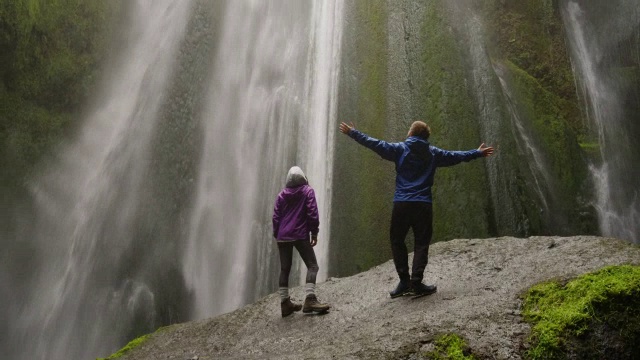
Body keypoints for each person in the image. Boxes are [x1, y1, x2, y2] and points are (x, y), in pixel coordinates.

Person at [339, 121, 494, 298]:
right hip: (423, 204)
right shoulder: (433, 153)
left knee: (397, 240)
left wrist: (353, 132)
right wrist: (477, 153)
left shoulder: (400, 149)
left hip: (402, 203)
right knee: (421, 243)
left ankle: (404, 282)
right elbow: (456, 156)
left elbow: (374, 143)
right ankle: (417, 282)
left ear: (411, 133)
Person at [272, 166, 331, 317]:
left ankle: (285, 303)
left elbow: (276, 217)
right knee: (312, 265)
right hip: (299, 234)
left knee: (285, 269)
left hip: (282, 235)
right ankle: (310, 299)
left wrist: (277, 233)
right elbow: (313, 212)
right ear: (303, 178)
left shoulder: (281, 195)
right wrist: (314, 232)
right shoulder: (307, 191)